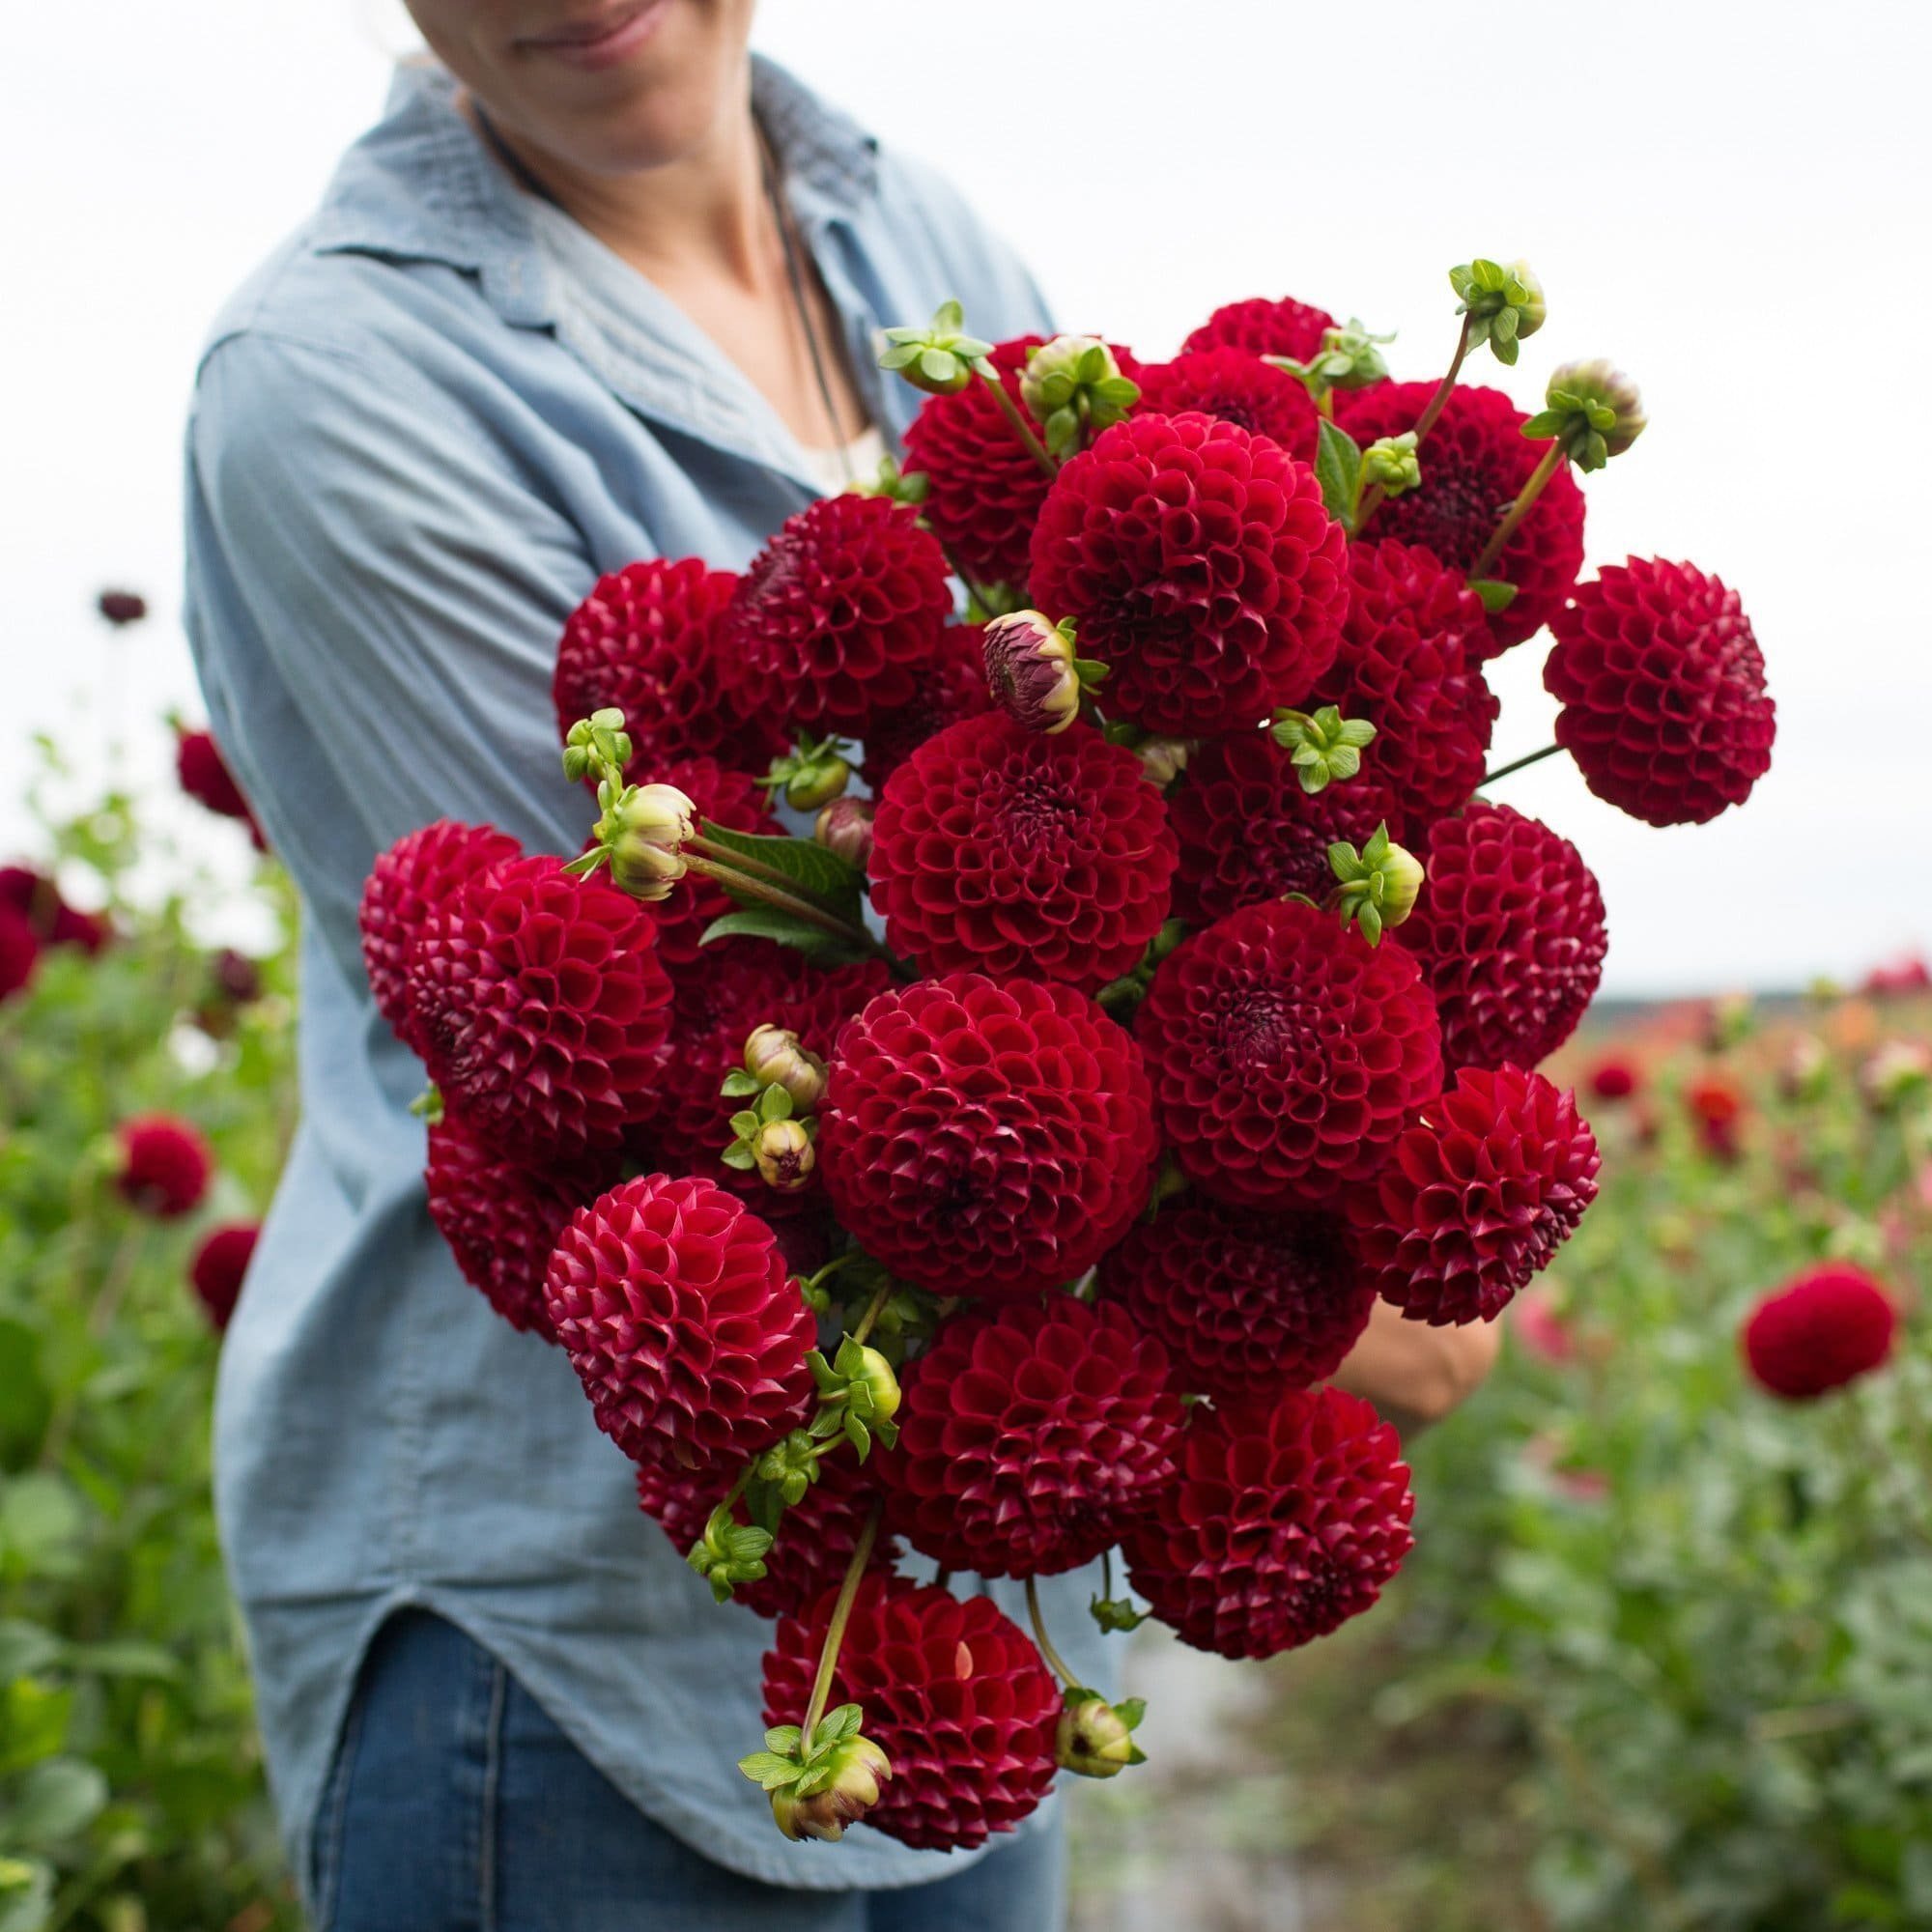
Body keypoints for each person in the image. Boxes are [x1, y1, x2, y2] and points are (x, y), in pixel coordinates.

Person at [183, 4, 1497, 1926]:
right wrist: (1324, 1298)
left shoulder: (922, 244)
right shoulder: (337, 385)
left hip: (969, 1593)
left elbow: (1161, 804)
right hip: (564, 1660)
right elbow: (644, 1069)